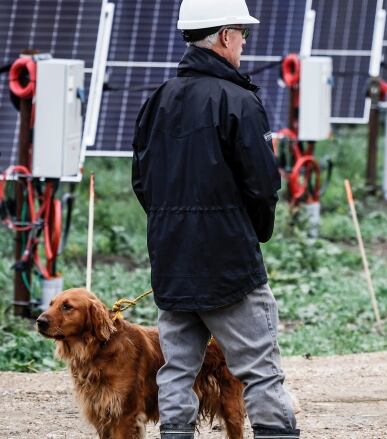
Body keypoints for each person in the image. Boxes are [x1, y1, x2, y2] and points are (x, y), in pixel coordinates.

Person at [131, 0, 298, 437]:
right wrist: (254, 232)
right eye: (242, 33)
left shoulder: (157, 100)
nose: (244, 41)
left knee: (175, 370)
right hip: (229, 266)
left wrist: (173, 229)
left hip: (171, 261)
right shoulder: (239, 101)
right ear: (225, 36)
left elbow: (141, 183)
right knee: (261, 370)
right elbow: (263, 185)